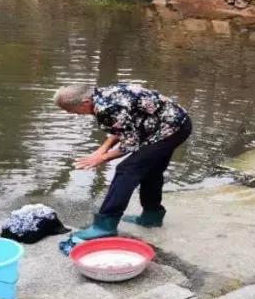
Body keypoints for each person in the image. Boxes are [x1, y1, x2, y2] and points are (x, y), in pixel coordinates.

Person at [54, 83, 192, 241]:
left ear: (85, 102)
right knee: (151, 170)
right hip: (170, 124)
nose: (74, 114)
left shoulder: (107, 108)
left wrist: (103, 158)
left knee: (126, 170)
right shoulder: (102, 95)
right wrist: (102, 149)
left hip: (170, 130)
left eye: (71, 110)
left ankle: (105, 226)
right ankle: (152, 215)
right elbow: (122, 127)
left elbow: (130, 144)